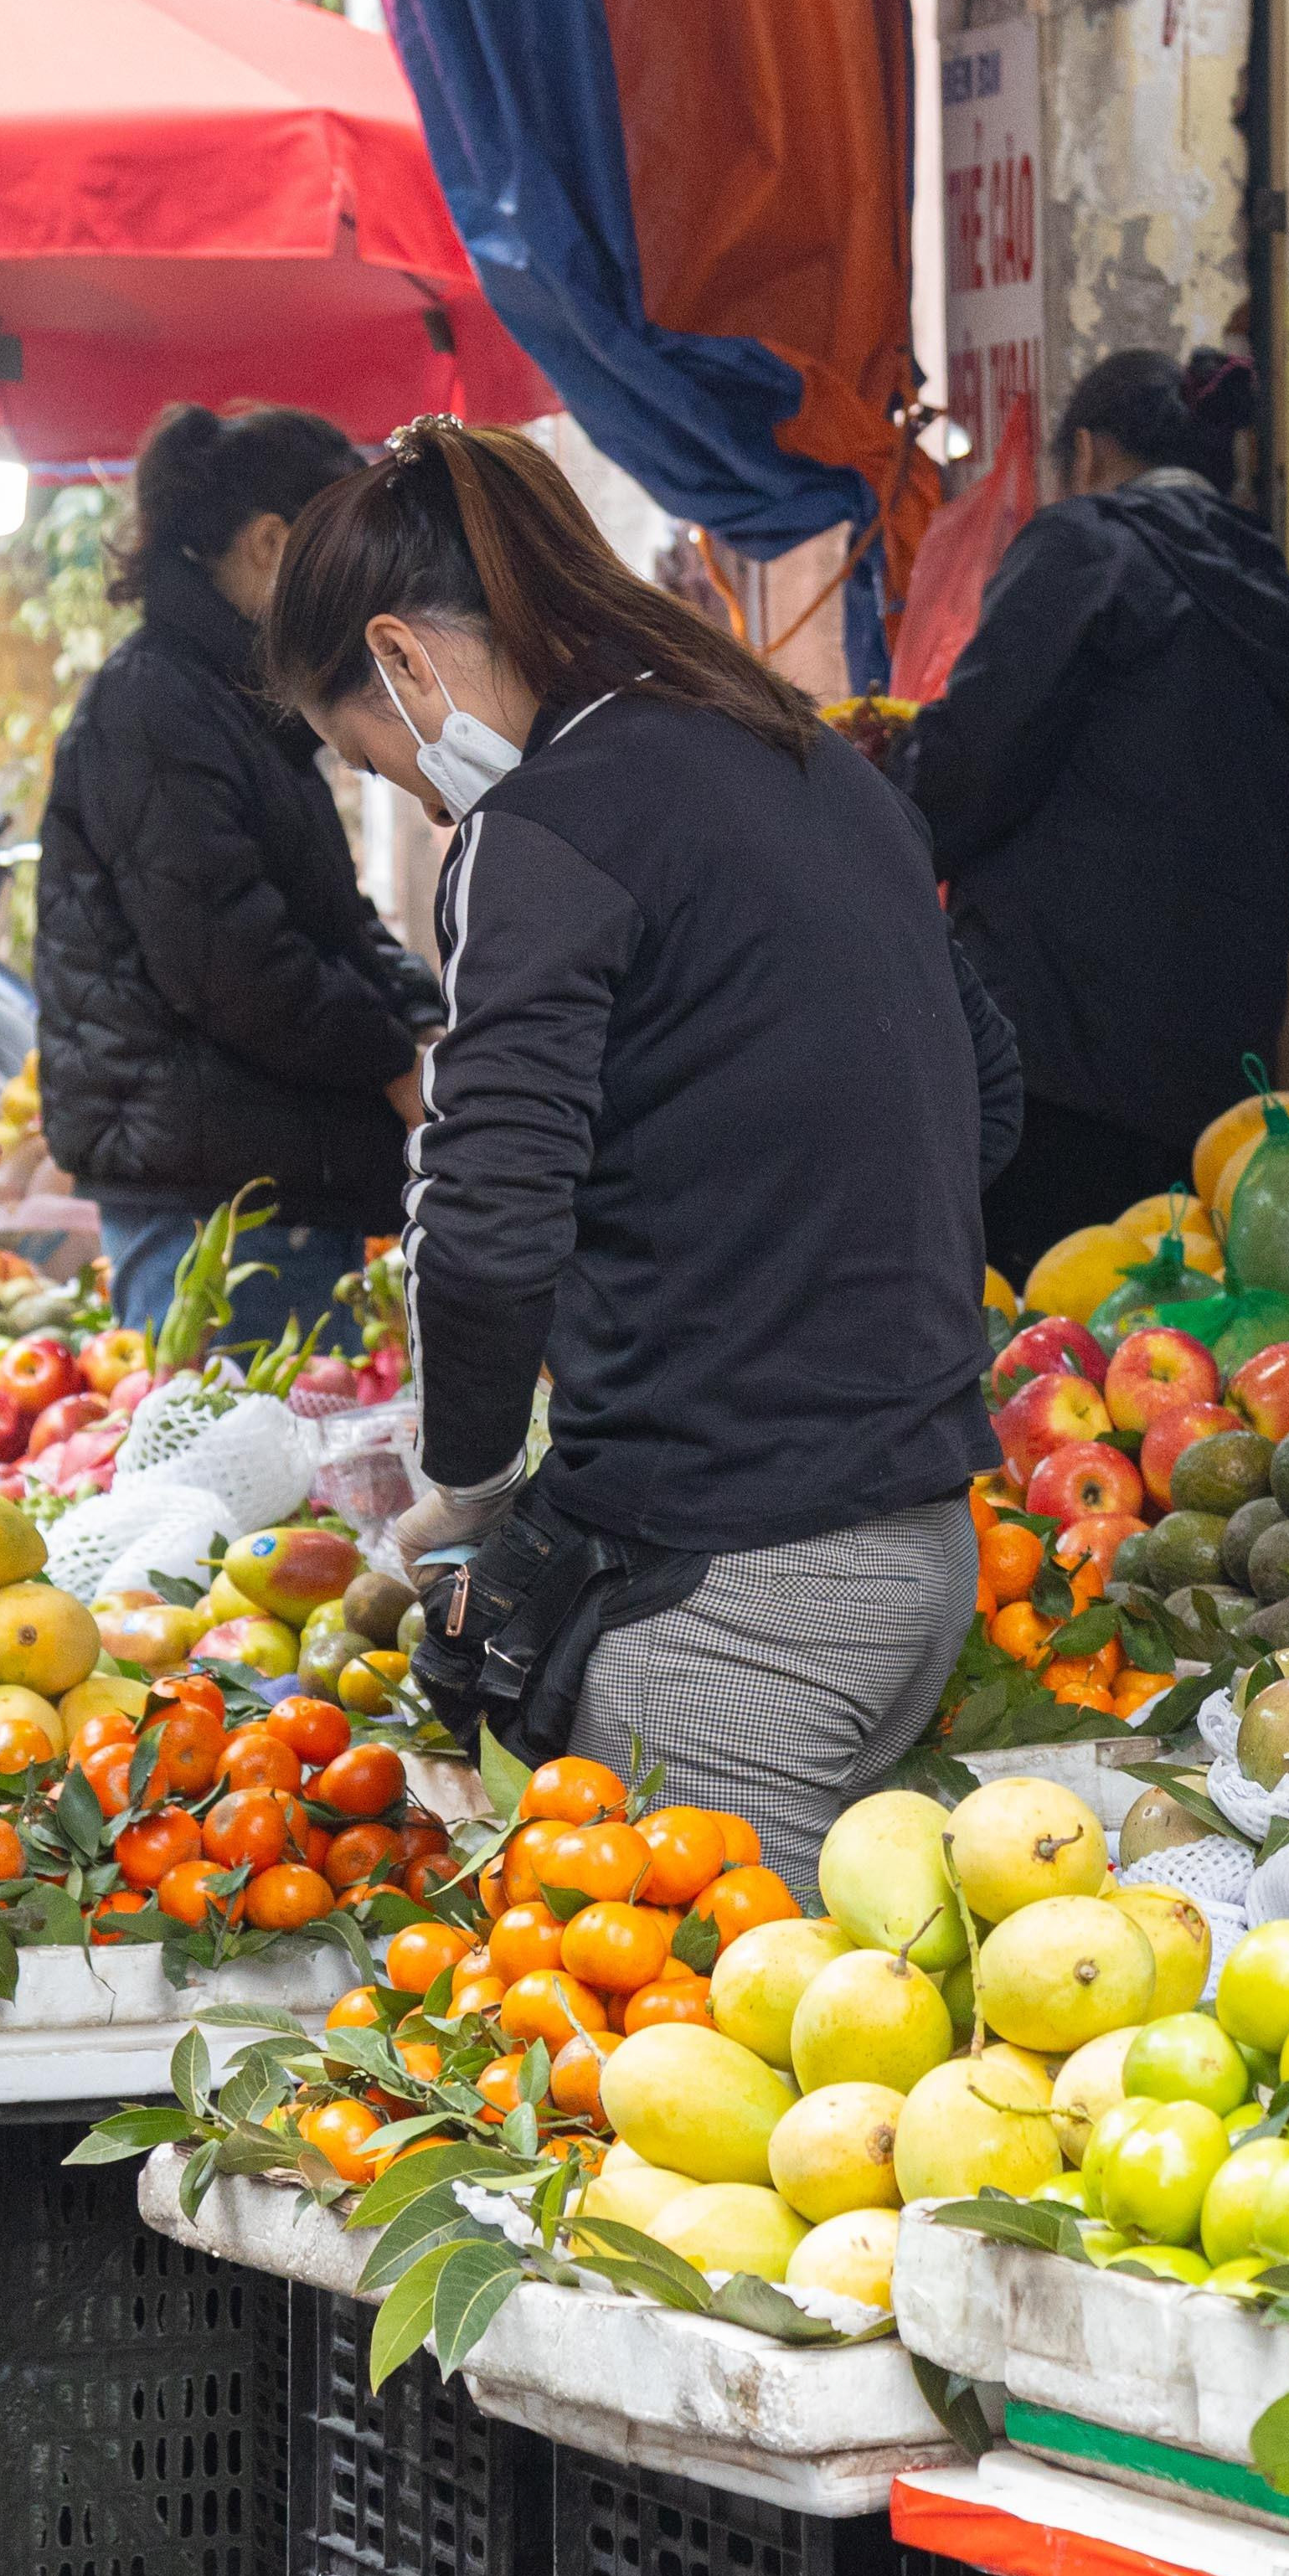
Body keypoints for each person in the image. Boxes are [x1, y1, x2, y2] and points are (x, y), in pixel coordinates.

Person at [269, 421, 1012, 1897]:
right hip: (917, 1547)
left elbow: (482, 1223)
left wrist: (465, 1495)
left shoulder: (544, 832)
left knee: (714, 2087)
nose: (425, 803)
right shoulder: (803, 760)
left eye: (381, 761)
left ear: (405, 662)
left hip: (739, 1605)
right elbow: (981, 1092)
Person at [906, 348, 1289, 1280]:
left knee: (1037, 1344)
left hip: (1053, 1063)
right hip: (1217, 1082)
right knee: (1165, 1352)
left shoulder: (1084, 549)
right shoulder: (1283, 605)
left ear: (1091, 452)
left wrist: (880, 780)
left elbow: (966, 771)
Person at [34, 402, 443, 1349]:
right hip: (215, 1201)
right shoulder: (159, 707)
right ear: (270, 545)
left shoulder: (234, 703)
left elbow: (329, 920)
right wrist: (392, 1060)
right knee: (240, 1484)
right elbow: (232, 960)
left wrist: (418, 1014)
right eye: (345, 553)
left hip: (268, 1170)